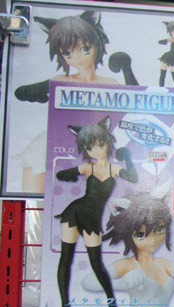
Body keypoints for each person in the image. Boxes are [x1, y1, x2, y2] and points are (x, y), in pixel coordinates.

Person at [14, 10, 137, 193]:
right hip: (58, 141)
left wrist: (127, 69)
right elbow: (22, 93)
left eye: (85, 49)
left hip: (96, 145)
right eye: (68, 53)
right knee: (37, 186)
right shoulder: (60, 80)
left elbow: (136, 101)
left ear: (96, 45)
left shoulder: (109, 83)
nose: (77, 58)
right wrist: (38, 91)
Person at [55, 116, 138, 307]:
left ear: (107, 143)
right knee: (66, 259)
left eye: (100, 145)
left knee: (97, 264)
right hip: (75, 212)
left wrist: (127, 157)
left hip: (92, 218)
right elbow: (59, 174)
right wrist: (71, 173)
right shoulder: (87, 168)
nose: (95, 150)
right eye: (89, 147)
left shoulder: (114, 169)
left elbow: (133, 177)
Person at [81, 185, 174, 307]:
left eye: (159, 230)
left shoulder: (162, 264)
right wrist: (121, 284)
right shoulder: (127, 264)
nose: (152, 239)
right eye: (141, 235)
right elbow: (88, 282)